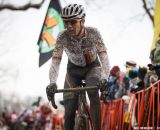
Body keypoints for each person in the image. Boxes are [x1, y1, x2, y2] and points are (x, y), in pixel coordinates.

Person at [46, 4, 110, 130]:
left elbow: (104, 57)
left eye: (73, 22)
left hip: (92, 68)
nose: (69, 26)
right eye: (66, 22)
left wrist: (104, 78)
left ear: (82, 21)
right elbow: (55, 61)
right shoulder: (62, 37)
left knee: (92, 91)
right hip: (73, 71)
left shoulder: (94, 33)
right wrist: (52, 82)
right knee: (69, 111)